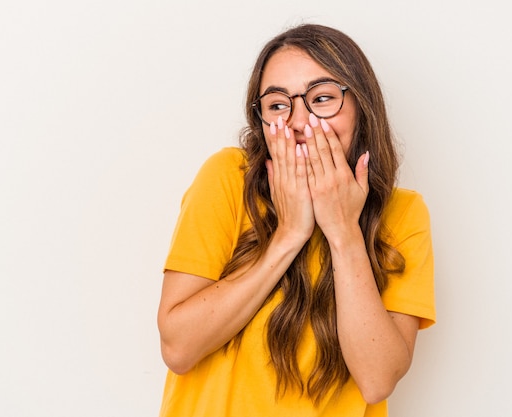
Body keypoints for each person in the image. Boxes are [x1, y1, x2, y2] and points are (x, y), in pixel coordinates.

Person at [156, 23, 435, 417]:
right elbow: (178, 348)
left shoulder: (404, 213)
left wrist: (343, 232)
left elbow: (377, 380)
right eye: (278, 105)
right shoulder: (226, 178)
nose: (300, 123)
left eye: (321, 98)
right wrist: (289, 235)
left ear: (362, 107)